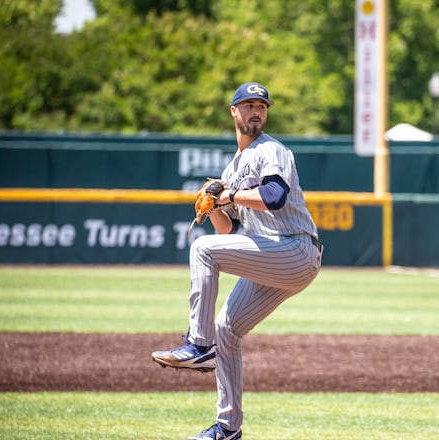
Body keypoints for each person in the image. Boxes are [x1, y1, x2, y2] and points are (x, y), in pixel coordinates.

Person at [152, 82, 323, 440]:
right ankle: (228, 428)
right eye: (248, 104)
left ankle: (198, 346)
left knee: (202, 250)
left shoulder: (271, 150)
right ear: (234, 111)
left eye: (261, 105)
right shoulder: (232, 167)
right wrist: (215, 204)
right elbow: (229, 230)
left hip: (295, 249)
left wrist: (229, 193)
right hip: (268, 253)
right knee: (226, 330)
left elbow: (274, 196)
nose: (256, 111)